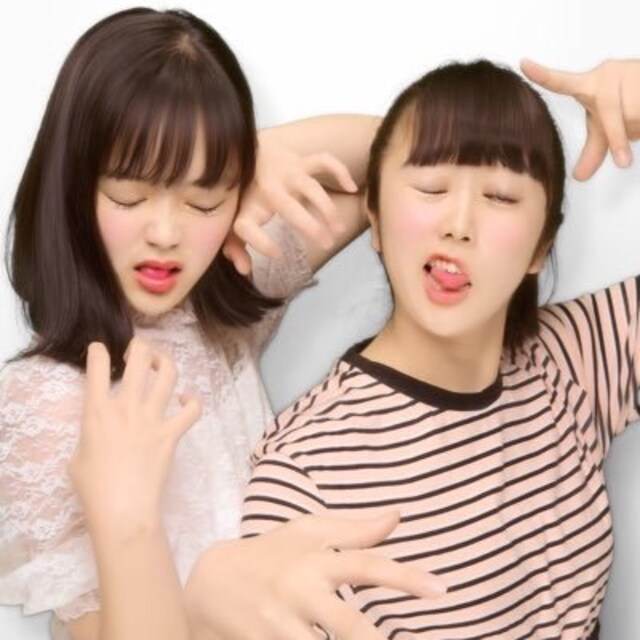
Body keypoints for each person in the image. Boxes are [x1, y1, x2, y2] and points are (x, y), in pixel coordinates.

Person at [0, 7, 445, 640]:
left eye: (203, 199)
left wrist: (265, 151)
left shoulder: (220, 298)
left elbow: (409, 166)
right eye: (130, 197)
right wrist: (128, 516)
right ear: (73, 188)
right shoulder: (47, 403)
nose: (166, 234)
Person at [241, 58, 640, 639]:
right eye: (431, 187)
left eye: (500, 196)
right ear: (375, 219)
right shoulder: (305, 471)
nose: (459, 223)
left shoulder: (571, 360)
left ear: (540, 246)